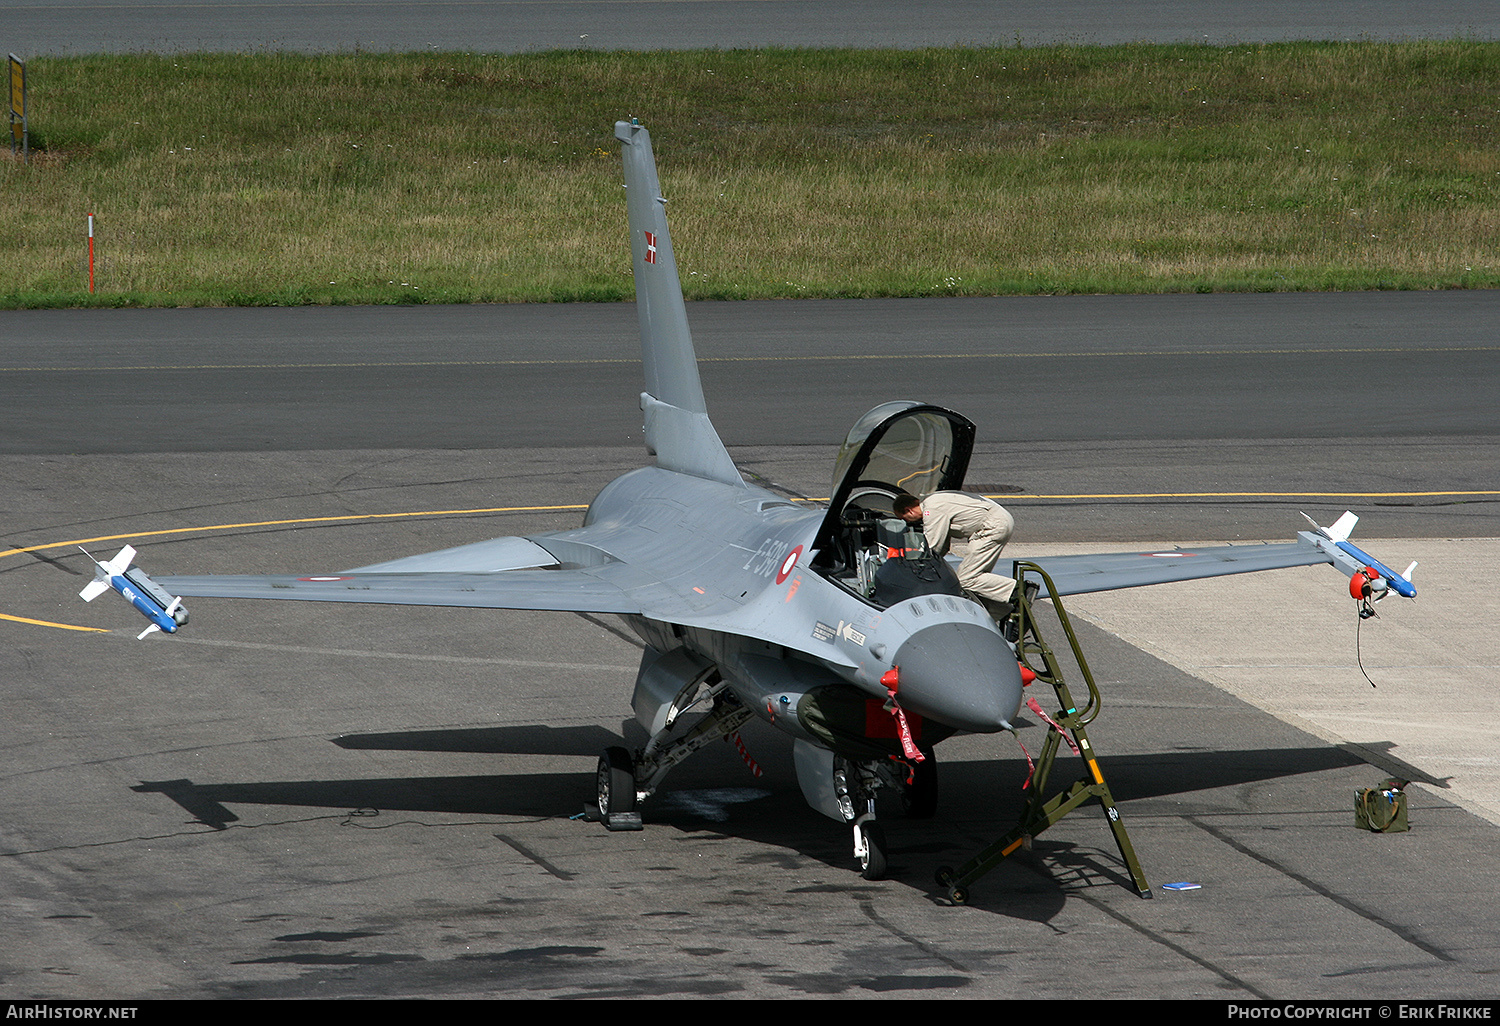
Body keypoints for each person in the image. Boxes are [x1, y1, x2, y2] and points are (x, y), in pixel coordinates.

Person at [893, 491, 1016, 614]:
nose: (908, 523)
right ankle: (1003, 610)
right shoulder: (933, 500)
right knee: (977, 581)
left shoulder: (931, 509)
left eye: (904, 519)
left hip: (991, 528)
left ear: (909, 510)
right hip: (996, 522)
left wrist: (914, 567)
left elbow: (933, 545)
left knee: (967, 579)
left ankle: (1017, 590)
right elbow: (942, 546)